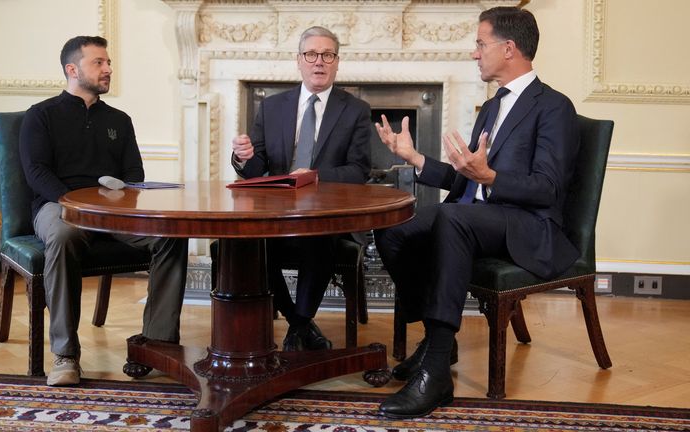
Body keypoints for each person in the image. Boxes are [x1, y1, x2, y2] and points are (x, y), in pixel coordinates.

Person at [373, 7, 580, 418]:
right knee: (392, 223)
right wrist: (415, 157)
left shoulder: (554, 107)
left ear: (508, 48)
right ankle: (441, 342)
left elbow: (548, 188)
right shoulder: (491, 107)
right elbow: (467, 179)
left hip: (526, 223)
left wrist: (489, 175)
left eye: (480, 44)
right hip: (477, 216)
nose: (474, 53)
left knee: (453, 219)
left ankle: (435, 372)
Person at [19, 36, 189, 386]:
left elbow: (134, 175)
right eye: (99, 62)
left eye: (108, 62)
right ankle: (65, 356)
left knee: (171, 236)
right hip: (58, 207)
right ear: (72, 69)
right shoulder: (41, 116)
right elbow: (36, 173)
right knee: (64, 235)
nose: (108, 68)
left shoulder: (119, 120)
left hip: (113, 213)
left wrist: (115, 203)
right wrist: (77, 205)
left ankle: (157, 345)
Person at [230, 26, 371, 351]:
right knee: (247, 243)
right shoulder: (272, 106)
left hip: (328, 215)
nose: (318, 62)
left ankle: (299, 324)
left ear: (337, 62)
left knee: (317, 237)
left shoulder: (355, 110)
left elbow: (359, 171)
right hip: (276, 212)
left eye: (327, 55)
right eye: (311, 54)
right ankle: (300, 324)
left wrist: (315, 176)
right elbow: (255, 169)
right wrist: (242, 157)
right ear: (299, 61)